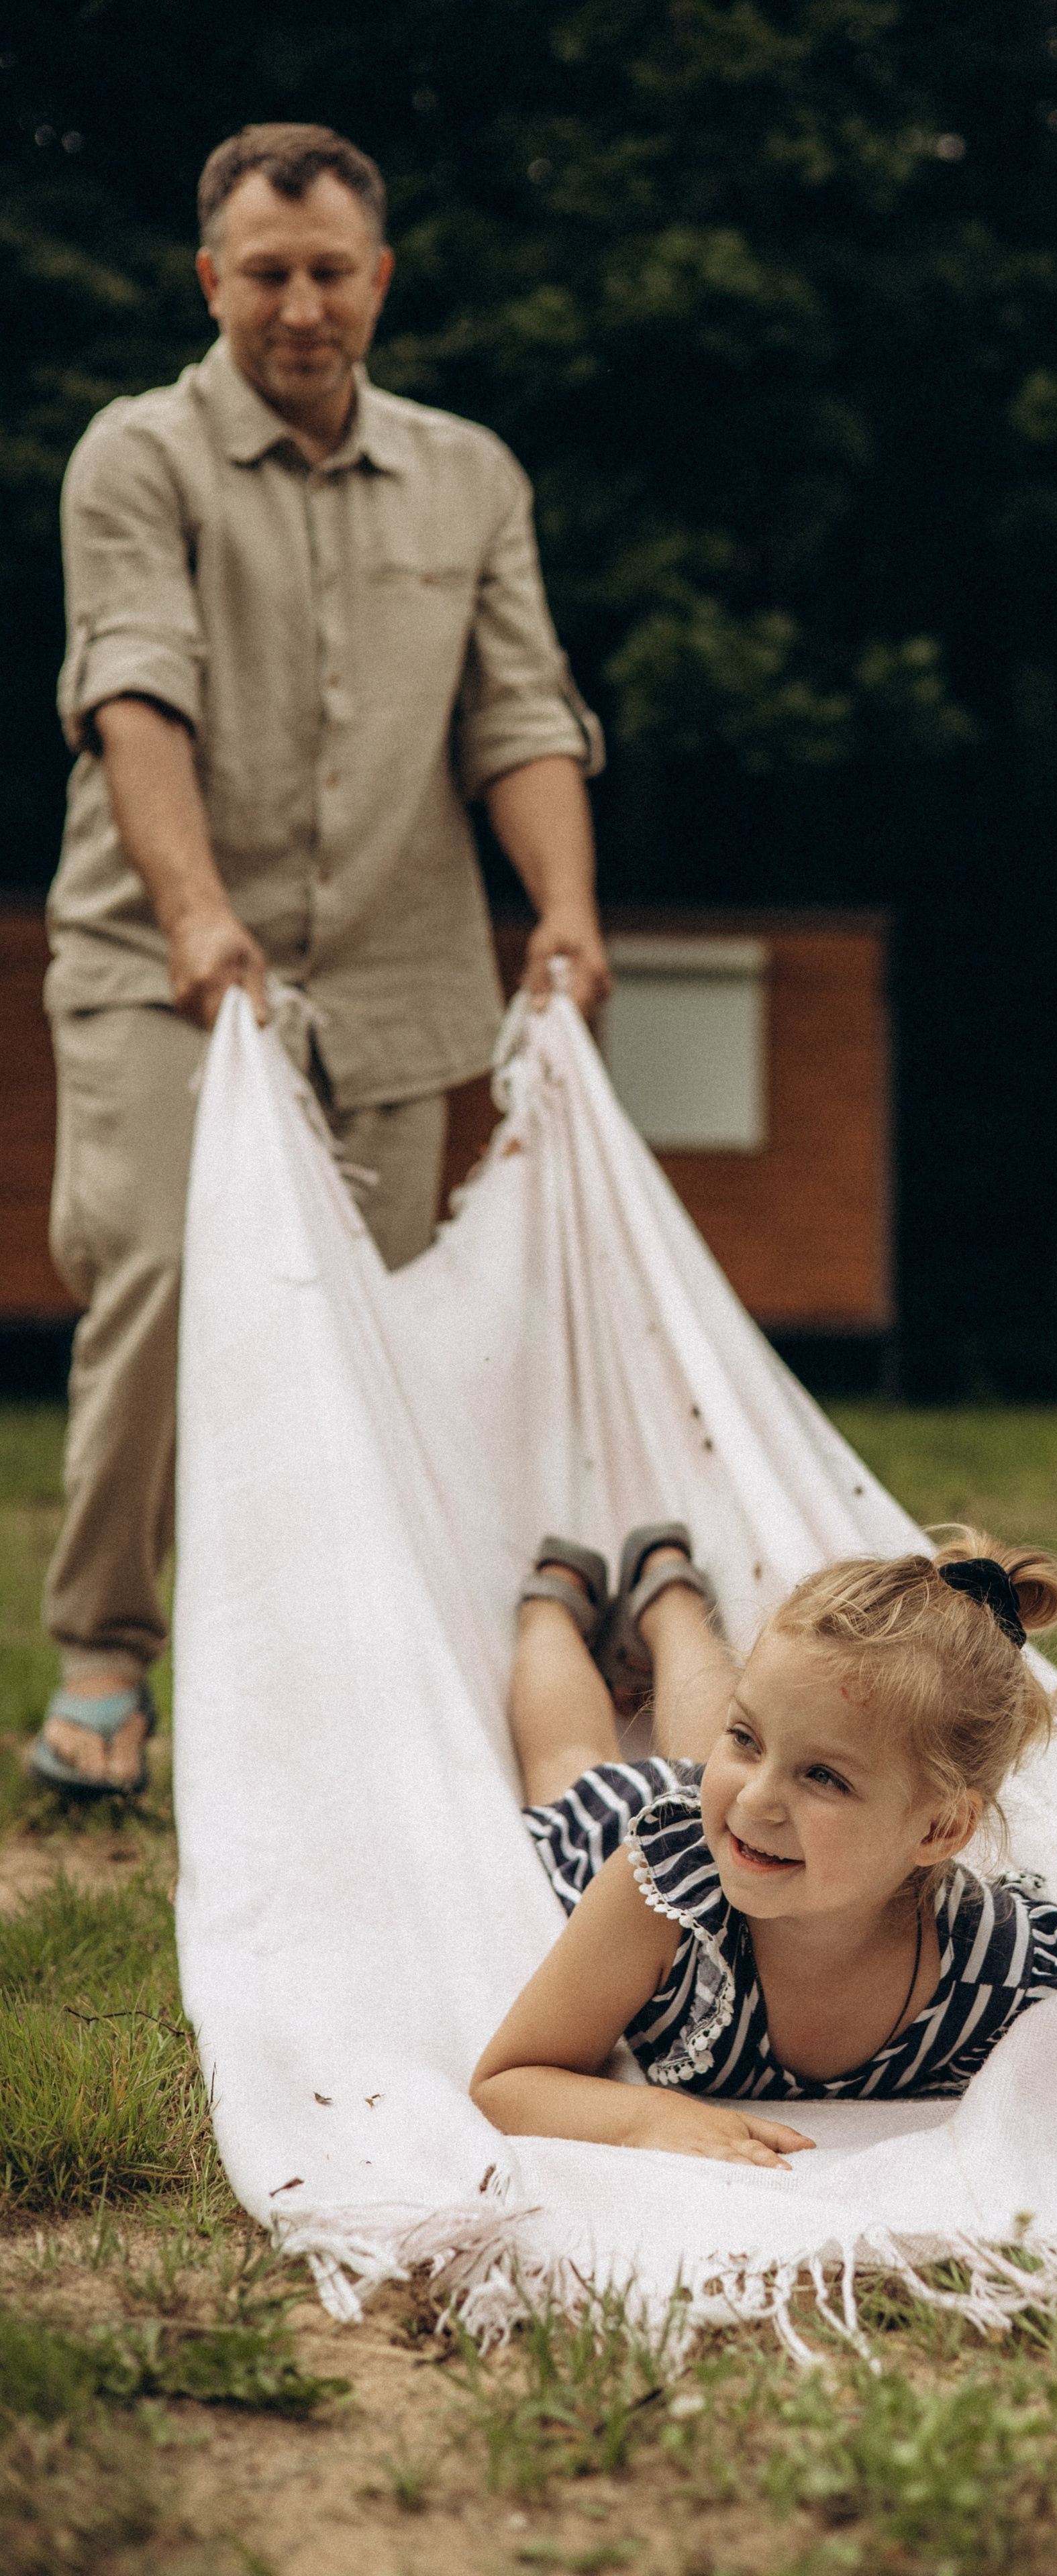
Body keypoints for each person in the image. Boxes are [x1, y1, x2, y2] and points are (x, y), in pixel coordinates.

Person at [34, 123, 611, 1799]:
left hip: (401, 972)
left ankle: (322, 1683)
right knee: (156, 1277)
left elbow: (518, 710)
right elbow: (137, 689)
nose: (300, 304)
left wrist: (562, 911)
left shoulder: (470, 475)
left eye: (329, 271)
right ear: (212, 280)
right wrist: (198, 916)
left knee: (375, 1337)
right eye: (266, 273)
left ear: (378, 278)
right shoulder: (134, 458)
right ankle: (103, 1661)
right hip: (165, 965)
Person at [470, 1525, 1057, 2168]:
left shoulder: (992, 1964)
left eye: (825, 1777)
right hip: (672, 1840)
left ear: (938, 1830)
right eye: (742, 1736)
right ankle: (581, 1600)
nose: (756, 1798)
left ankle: (671, 1600)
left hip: (743, 1846)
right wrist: (646, 2119)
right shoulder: (656, 1894)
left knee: (748, 1752)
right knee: (575, 1761)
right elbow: (510, 2081)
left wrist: (757, 1750)